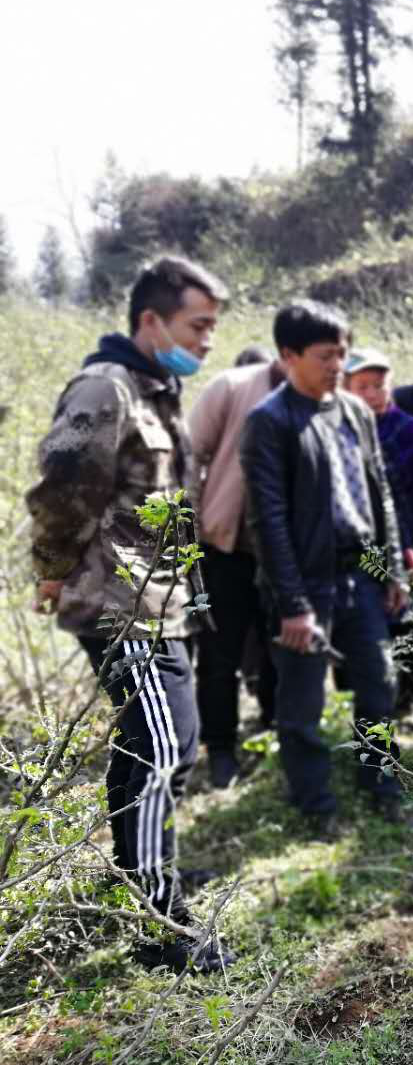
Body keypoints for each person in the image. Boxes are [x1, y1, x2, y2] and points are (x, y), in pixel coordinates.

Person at [26, 256, 235, 973]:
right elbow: (62, 488)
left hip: (160, 597)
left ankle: (149, 872)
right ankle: (157, 923)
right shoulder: (104, 389)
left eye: (212, 327)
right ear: (150, 320)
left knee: (159, 744)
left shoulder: (158, 390)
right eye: (195, 325)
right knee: (164, 745)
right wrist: (52, 572)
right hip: (117, 600)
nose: (206, 340)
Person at [241, 301, 413, 834]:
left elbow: (378, 495)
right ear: (288, 356)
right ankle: (315, 804)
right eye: (325, 355)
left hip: (360, 570)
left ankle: (380, 781)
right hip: (305, 581)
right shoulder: (269, 422)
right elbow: (268, 522)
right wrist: (293, 605)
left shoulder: (355, 412)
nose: (338, 365)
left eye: (342, 353)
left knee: (378, 683)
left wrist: (391, 572)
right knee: (303, 701)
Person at [187, 346, 287, 788]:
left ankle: (275, 726)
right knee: (217, 656)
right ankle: (221, 749)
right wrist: (187, 532)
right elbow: (188, 458)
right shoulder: (231, 390)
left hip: (285, 555)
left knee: (281, 649)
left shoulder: (322, 402)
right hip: (222, 548)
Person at [342, 349, 413, 720]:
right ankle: (358, 701)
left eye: (378, 385)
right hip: (355, 543)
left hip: (406, 537)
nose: (371, 394)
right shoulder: (340, 429)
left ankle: (406, 697)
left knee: (406, 621)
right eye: (361, 386)